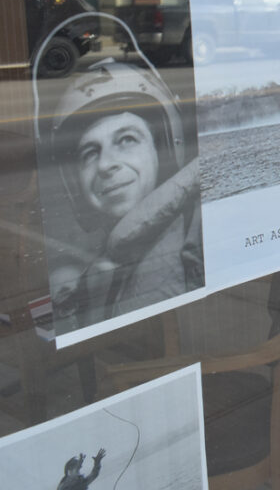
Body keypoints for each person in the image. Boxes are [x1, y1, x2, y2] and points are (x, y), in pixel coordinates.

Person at [47, 58, 203, 325]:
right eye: (90, 153)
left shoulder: (196, 231)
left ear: (164, 146)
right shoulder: (100, 268)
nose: (106, 164)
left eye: (127, 140)